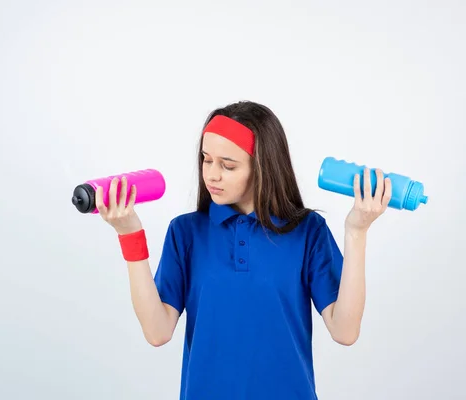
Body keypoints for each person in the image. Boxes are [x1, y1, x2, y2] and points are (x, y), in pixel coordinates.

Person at [95, 100, 392, 400]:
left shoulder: (308, 232)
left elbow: (345, 331)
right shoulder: (186, 232)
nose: (211, 175)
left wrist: (357, 232)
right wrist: (129, 233)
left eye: (228, 165)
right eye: (206, 159)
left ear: (262, 167)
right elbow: (157, 332)